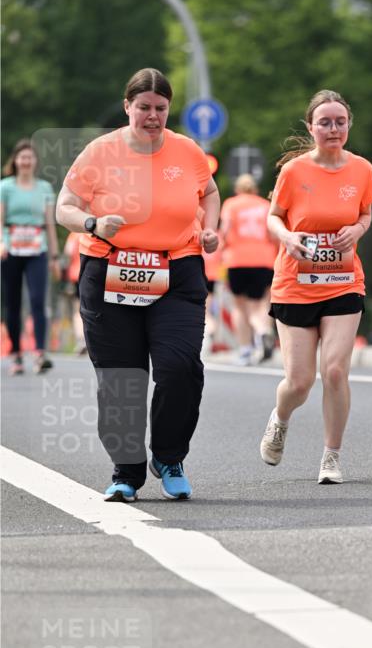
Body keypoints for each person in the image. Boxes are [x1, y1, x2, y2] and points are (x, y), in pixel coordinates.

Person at [55, 68, 220, 502]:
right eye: (143, 107)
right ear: (127, 106)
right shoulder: (100, 152)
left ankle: (169, 457)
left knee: (180, 367)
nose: (152, 116)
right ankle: (125, 472)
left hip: (176, 270)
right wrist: (92, 223)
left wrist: (210, 228)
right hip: (109, 270)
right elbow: (64, 207)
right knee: (120, 378)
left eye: (160, 108)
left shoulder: (186, 150)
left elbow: (209, 192)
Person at [259, 89, 372, 484]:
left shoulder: (362, 170)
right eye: (325, 122)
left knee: (336, 370)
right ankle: (280, 418)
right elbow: (273, 216)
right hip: (296, 283)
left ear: (349, 125)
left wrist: (356, 230)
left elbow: (364, 214)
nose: (333, 129)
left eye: (340, 122)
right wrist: (287, 237)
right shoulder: (294, 171)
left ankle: (331, 457)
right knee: (299, 382)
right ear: (311, 127)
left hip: (343, 281)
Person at [0, 139, 60, 374]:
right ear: (15, 160)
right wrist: (1, 242)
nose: (26, 161)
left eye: (30, 157)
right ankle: (16, 354)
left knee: (37, 300)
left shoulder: (44, 188)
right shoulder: (5, 187)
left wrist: (54, 256)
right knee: (13, 303)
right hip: (10, 249)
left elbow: (50, 224)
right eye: (22, 157)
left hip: (37, 248)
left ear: (35, 161)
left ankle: (39, 353)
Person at [220, 173, 277, 364]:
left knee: (239, 306)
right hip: (264, 259)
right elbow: (272, 234)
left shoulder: (231, 204)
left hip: (237, 259)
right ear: (255, 189)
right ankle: (264, 331)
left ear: (237, 189)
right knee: (262, 303)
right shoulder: (265, 205)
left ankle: (246, 348)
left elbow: (225, 231)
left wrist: (222, 249)